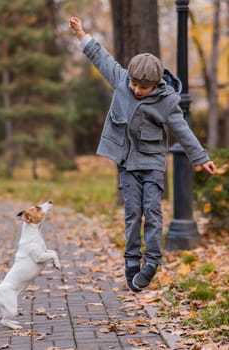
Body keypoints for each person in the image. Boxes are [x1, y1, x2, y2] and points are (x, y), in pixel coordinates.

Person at [69, 17, 216, 292]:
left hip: (151, 162)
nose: (137, 90)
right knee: (133, 212)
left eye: (143, 87)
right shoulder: (123, 81)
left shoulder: (167, 101)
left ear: (155, 84)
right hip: (127, 162)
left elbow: (182, 131)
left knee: (152, 210)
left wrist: (201, 157)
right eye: (135, 84)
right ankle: (131, 260)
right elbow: (101, 58)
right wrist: (81, 34)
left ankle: (152, 261)